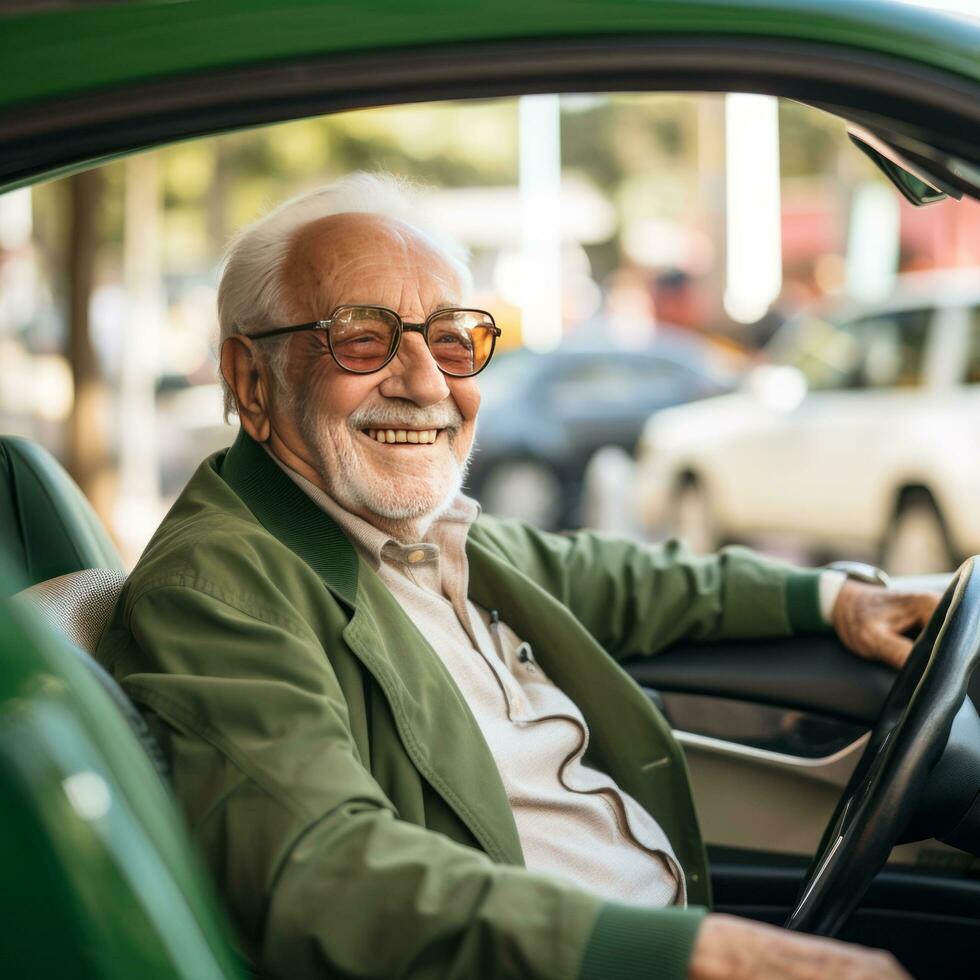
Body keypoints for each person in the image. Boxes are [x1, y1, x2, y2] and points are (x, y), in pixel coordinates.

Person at [97, 174, 937, 979]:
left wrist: (832, 597)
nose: (427, 382)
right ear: (252, 380)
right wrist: (685, 956)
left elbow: (607, 576)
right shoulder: (221, 582)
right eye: (362, 335)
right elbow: (318, 869)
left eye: (454, 340)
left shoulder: (421, 537)